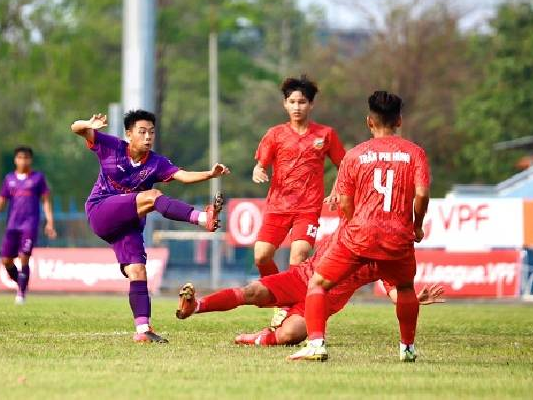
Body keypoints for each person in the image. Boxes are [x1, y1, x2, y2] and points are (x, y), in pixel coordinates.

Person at [289, 90, 431, 362]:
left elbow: (344, 201)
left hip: (359, 236)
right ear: (399, 121)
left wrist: (353, 223)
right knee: (404, 289)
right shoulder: (415, 153)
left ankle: (316, 344)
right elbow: (422, 195)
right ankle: (407, 348)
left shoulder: (355, 155)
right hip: (398, 237)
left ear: (369, 122)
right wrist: (417, 226)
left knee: (318, 283)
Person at [71, 110, 230, 343]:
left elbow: (182, 175)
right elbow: (76, 127)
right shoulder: (111, 146)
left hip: (129, 223)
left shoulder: (156, 162)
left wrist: (209, 174)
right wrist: (88, 124)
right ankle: (201, 218)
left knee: (138, 271)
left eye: (152, 132)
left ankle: (143, 329)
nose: (148, 137)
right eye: (142, 131)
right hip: (100, 210)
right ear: (129, 134)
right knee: (152, 196)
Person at [175, 229, 443, 347]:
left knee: (289, 335)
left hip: (323, 299)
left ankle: (254, 338)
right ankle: (195, 306)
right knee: (252, 291)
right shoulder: (353, 225)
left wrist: (413, 298)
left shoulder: (386, 256)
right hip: (301, 277)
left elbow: (395, 291)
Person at [252, 75, 345, 326]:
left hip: (308, 208)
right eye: (292, 101)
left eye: (302, 102)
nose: (296, 107)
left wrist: (337, 190)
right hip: (277, 207)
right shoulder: (275, 134)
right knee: (261, 255)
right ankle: (279, 299)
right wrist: (259, 170)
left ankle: (292, 307)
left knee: (299, 255)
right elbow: (260, 163)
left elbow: (345, 166)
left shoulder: (325, 134)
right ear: (284, 104)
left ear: (311, 105)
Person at [0, 146, 56, 305]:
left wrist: (50, 222)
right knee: (6, 261)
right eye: (20, 157)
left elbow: (45, 201)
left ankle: (21, 294)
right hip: (12, 225)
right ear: (15, 160)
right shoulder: (9, 179)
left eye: (26, 157)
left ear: (30, 160)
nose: (23, 160)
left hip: (29, 225)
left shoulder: (38, 178)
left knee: (24, 257)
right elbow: (1, 200)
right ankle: (22, 283)